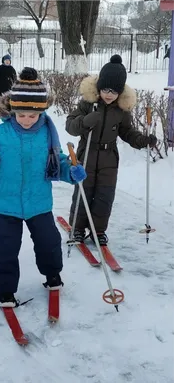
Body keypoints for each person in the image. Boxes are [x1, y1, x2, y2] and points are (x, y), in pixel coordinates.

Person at [0, 67, 86, 307]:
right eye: (21, 115)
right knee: (6, 249)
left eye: (32, 116)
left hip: (39, 202)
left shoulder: (47, 135)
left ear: (41, 112)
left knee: (48, 242)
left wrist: (71, 171)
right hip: (6, 203)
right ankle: (6, 290)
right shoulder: (0, 134)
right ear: (13, 110)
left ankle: (52, 274)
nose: (27, 120)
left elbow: (58, 161)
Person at [66, 54, 157, 245]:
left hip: (109, 158)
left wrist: (142, 140)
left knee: (104, 196)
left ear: (120, 93)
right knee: (84, 193)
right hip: (87, 154)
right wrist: (84, 121)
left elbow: (127, 132)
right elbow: (70, 126)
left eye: (114, 91)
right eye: (105, 89)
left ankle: (98, 231)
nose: (109, 94)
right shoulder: (87, 104)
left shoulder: (121, 110)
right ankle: (77, 228)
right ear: (99, 87)